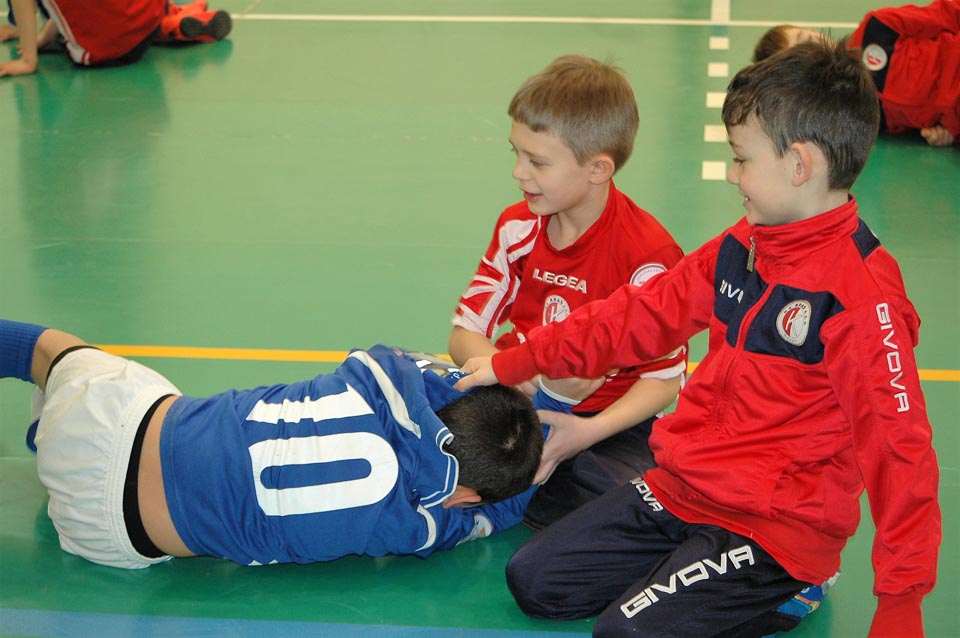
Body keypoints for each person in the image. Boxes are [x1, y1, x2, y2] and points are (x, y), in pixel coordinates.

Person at [454, 39, 941, 637]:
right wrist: (519, 362)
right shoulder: (743, 246)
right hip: (685, 487)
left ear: (799, 165)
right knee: (535, 581)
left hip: (775, 528)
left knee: (623, 632)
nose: (733, 175)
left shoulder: (861, 299)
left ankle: (794, 587)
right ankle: (695, 575)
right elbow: (633, 317)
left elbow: (900, 454)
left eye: (742, 159)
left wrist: (901, 605)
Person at [0, 319, 543, 569]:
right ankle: (49, 442)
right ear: (465, 495)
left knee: (49, 349)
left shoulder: (374, 376)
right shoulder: (415, 525)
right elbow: (495, 511)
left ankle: (49, 420)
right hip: (110, 531)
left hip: (107, 420)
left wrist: (504, 376)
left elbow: (429, 372)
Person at [449, 54, 686, 530]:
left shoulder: (647, 256)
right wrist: (511, 374)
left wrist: (585, 432)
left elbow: (663, 380)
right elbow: (463, 336)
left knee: (621, 502)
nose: (519, 172)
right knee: (426, 436)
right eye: (517, 153)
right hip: (515, 404)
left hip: (608, 421)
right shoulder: (517, 227)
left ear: (598, 168)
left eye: (537, 162)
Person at [752, 0, 960, 147]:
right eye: (803, 53)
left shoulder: (877, 27)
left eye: (805, 36)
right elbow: (919, 124)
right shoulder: (859, 108)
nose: (814, 43)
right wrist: (945, 134)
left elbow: (948, 13)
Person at [0, 0, 231, 77]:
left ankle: (170, 22)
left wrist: (28, 60)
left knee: (105, 25)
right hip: (148, 17)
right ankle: (169, 17)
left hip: (107, 50)